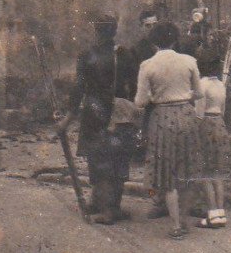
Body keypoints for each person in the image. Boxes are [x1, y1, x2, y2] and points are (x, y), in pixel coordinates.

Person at [57, 14, 138, 224]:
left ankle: (106, 210)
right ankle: (112, 206)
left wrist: (67, 119)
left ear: (96, 31)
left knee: (99, 161)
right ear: (115, 31)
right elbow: (134, 87)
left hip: (95, 114)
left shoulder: (87, 55)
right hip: (121, 113)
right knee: (118, 159)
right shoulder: (126, 55)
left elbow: (78, 89)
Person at [134, 22, 204, 239]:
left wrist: (157, 97)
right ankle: (184, 219)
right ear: (175, 39)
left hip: (162, 118)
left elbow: (140, 101)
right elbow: (199, 93)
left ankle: (176, 225)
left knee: (167, 173)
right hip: (186, 115)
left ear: (154, 41)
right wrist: (182, 96)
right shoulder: (189, 61)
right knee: (188, 168)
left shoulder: (147, 65)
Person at [195, 49, 231, 228]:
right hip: (220, 124)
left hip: (206, 125)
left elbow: (199, 114)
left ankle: (211, 213)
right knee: (217, 172)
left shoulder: (202, 85)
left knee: (205, 173)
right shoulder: (221, 85)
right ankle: (220, 213)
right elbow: (223, 110)